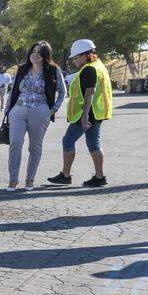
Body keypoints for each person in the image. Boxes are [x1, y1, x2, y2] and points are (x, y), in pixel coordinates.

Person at [47, 39, 113, 187]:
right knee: (93, 144)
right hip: (96, 113)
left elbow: (90, 92)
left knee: (68, 140)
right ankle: (100, 177)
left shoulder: (89, 69)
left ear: (85, 55)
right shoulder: (99, 66)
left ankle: (65, 175)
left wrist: (84, 116)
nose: (74, 61)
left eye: (76, 57)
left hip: (86, 113)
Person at [4, 41, 67, 191]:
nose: (35, 55)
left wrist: (53, 110)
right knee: (15, 144)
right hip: (18, 111)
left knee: (35, 147)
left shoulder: (53, 70)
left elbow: (63, 91)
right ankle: (13, 180)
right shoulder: (22, 69)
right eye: (33, 51)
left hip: (40, 112)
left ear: (45, 55)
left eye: (39, 52)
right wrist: (8, 111)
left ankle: (30, 179)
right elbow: (13, 91)